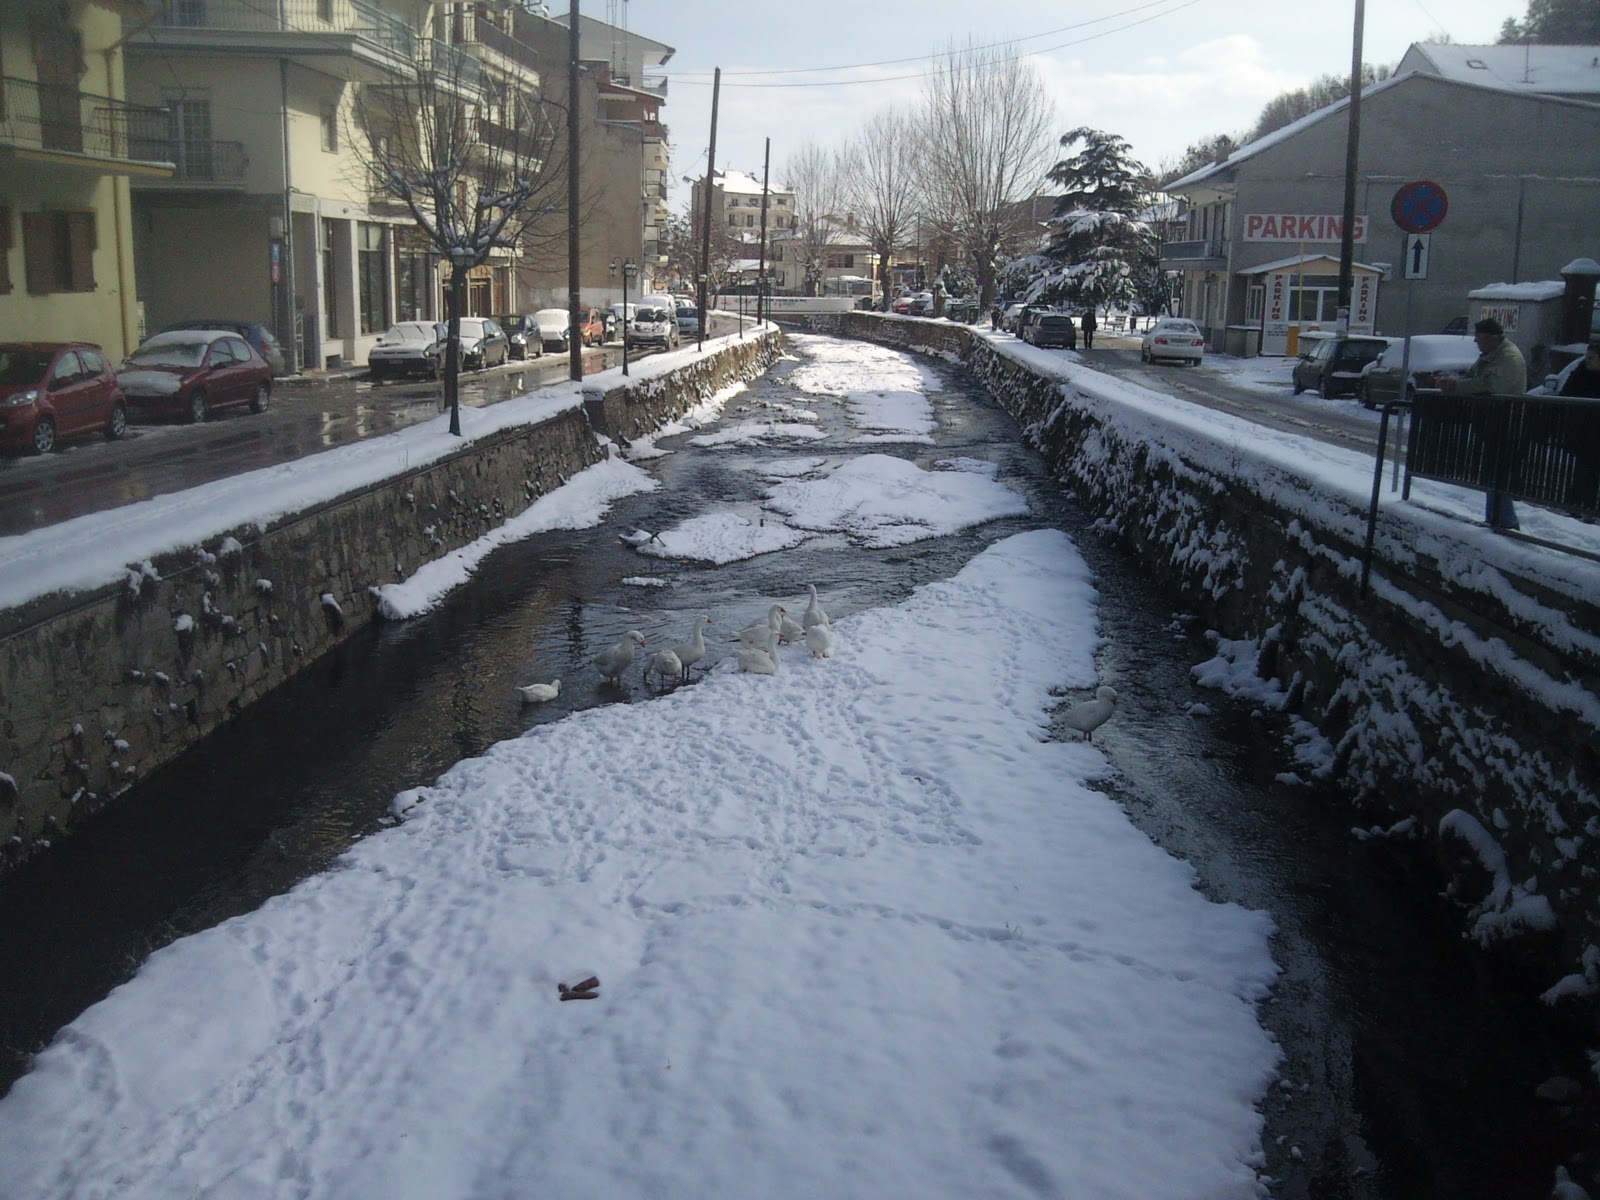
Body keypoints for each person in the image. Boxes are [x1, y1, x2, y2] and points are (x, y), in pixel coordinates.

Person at [1438, 317, 1527, 529]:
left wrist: (1456, 387)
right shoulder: (1490, 356)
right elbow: (1473, 376)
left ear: (1491, 338)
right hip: (1491, 421)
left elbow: (1492, 385)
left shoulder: (1508, 357)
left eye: (1478, 338)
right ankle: (1496, 519)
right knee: (1492, 472)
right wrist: (1452, 380)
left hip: (1506, 422)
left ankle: (1505, 521)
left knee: (1499, 472)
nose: (1476, 343)